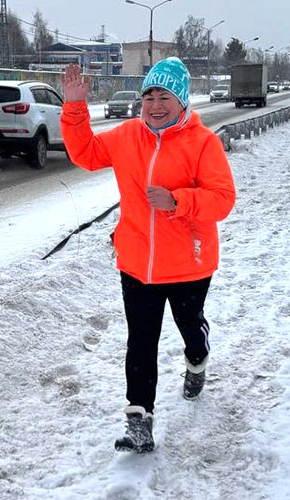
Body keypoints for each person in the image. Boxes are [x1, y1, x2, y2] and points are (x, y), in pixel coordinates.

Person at [60, 57, 236, 453]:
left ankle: (198, 358)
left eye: (165, 96)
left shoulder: (203, 143)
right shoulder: (126, 136)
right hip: (138, 262)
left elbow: (223, 200)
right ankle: (139, 420)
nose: (156, 104)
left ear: (182, 100)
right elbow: (86, 154)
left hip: (189, 263)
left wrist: (178, 200)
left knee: (189, 326)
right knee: (141, 341)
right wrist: (74, 107)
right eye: (149, 96)